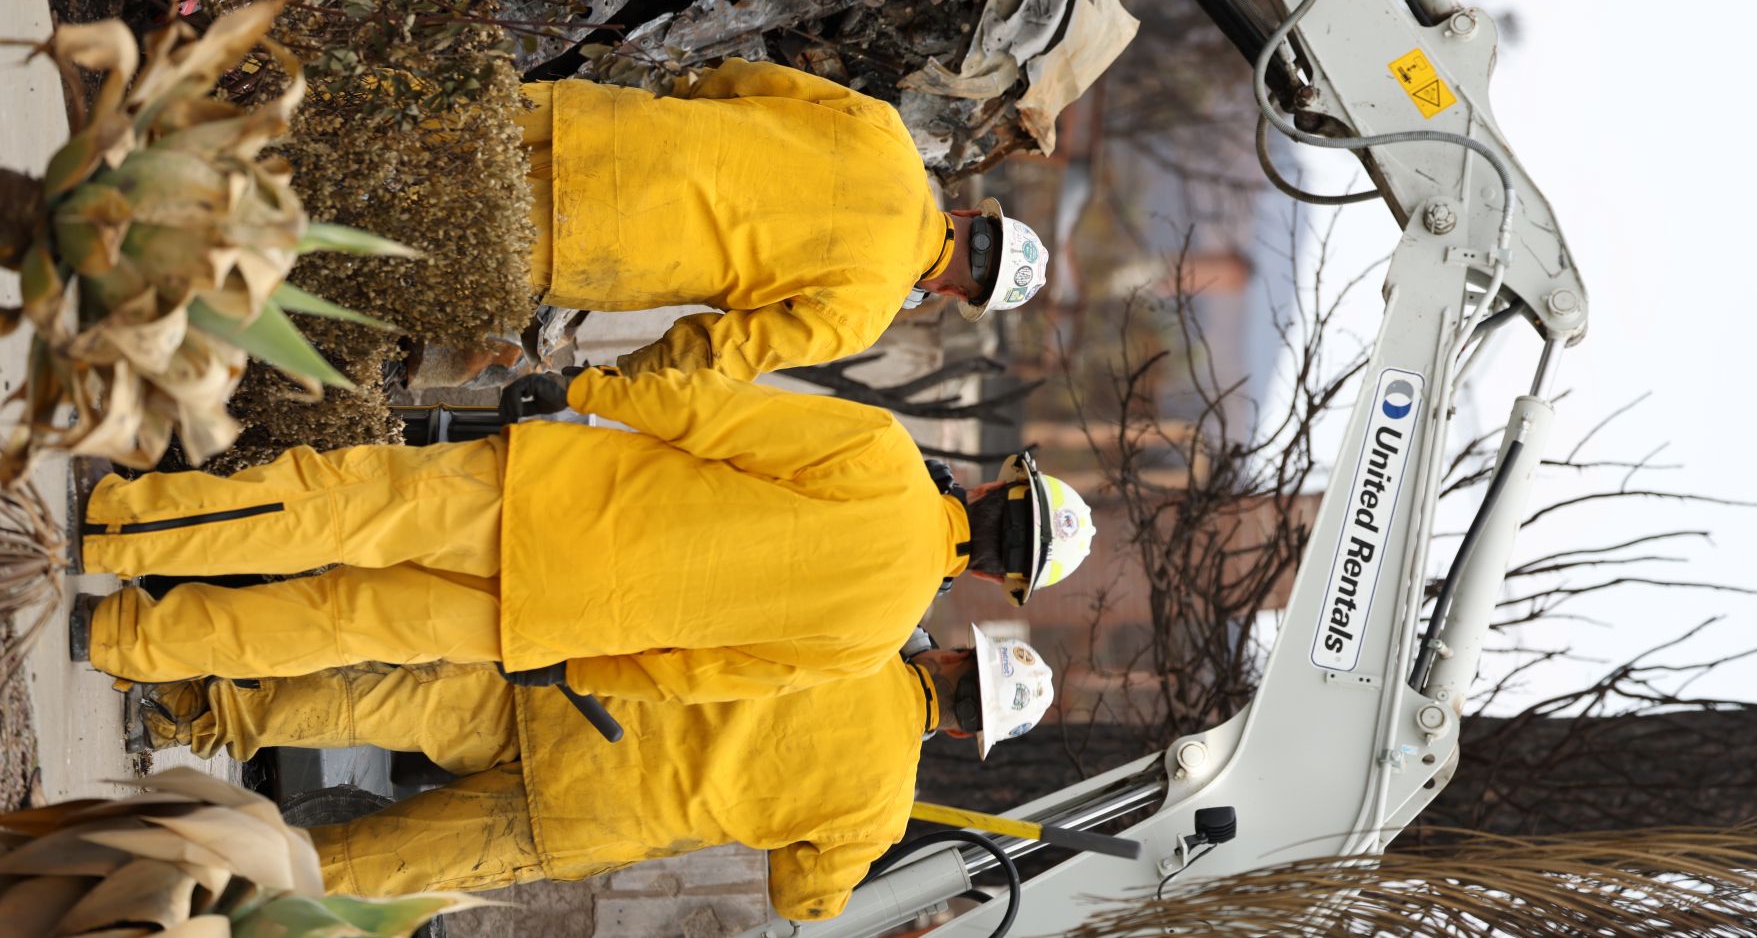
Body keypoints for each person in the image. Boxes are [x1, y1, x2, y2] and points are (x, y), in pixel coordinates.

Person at [72, 367, 1093, 697]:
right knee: (338, 624)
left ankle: (115, 534)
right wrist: (578, 670)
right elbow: (698, 679)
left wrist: (585, 386)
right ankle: (120, 641)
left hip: (549, 498)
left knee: (333, 506)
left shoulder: (878, 452)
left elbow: (715, 413)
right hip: (558, 616)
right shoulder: (870, 643)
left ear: (1005, 488)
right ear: (1004, 587)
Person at [132, 628, 1056, 922]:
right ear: (970, 733)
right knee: (369, 867)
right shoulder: (883, 807)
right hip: (587, 815)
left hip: (581, 698)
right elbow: (802, 899)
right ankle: (192, 888)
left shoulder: (850, 637)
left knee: (373, 698)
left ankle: (189, 703)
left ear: (946, 660)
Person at [519, 60, 1050, 380]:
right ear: (957, 294)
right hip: (582, 240)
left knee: (447, 118)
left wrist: (681, 104)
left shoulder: (887, 131)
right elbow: (715, 352)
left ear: (965, 213)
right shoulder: (859, 317)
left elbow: (747, 79)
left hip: (596, 124)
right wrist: (599, 386)